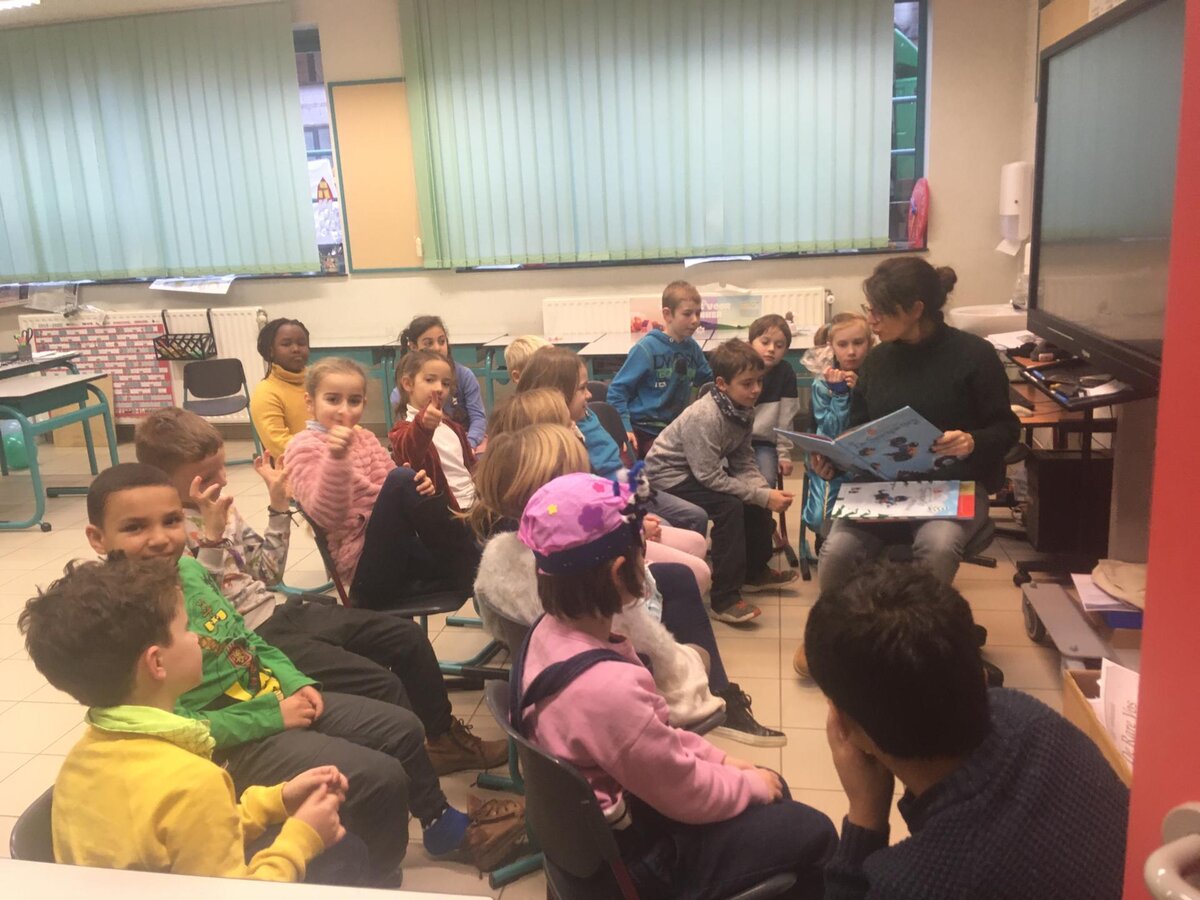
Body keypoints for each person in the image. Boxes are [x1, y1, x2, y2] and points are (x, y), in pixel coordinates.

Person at [81, 463, 524, 881]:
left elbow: (244, 639)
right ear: (97, 538)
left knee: (403, 727)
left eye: (171, 521)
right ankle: (377, 874)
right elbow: (175, 727)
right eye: (135, 528)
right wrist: (274, 716)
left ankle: (437, 824)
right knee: (380, 775)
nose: (160, 539)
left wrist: (296, 682)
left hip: (271, 695)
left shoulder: (190, 571)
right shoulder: (114, 622)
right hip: (229, 743)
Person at [512, 472, 836, 898]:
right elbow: (685, 794)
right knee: (815, 830)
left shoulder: (544, 633)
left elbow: (658, 740)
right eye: (641, 552)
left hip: (595, 834)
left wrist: (723, 760)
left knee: (768, 787)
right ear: (620, 572)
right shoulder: (607, 688)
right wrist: (748, 784)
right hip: (637, 863)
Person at [134, 407, 505, 776]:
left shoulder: (219, 509)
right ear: (162, 478)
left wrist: (278, 508)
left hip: (280, 612)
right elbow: (202, 608)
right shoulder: (162, 535)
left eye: (221, 466)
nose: (223, 478)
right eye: (208, 473)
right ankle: (406, 773)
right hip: (250, 637)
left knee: (407, 639)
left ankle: (444, 741)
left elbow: (267, 572)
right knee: (382, 683)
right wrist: (213, 540)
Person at [20, 557, 365, 885]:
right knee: (347, 853)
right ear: (157, 663)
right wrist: (301, 838)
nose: (198, 637)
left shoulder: (77, 762)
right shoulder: (194, 782)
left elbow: (186, 834)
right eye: (186, 629)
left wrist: (275, 801)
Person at [805, 563, 1129, 900]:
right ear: (981, 676)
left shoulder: (912, 883)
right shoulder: (1032, 716)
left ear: (844, 726)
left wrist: (865, 815)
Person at [469, 424, 783, 746]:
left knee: (676, 578)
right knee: (695, 645)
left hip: (544, 671)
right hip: (606, 688)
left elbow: (499, 622)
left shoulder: (498, 554)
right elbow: (646, 648)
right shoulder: (584, 584)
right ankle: (720, 696)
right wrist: (691, 673)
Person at [285, 357, 480, 609]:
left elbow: (392, 486)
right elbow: (327, 517)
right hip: (365, 570)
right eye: (332, 400)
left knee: (411, 480)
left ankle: (479, 566)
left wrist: (419, 485)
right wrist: (337, 458)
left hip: (399, 548)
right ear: (310, 402)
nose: (344, 410)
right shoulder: (303, 447)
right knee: (401, 480)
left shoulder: (365, 438)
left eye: (354, 401)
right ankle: (476, 570)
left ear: (364, 403)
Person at [646, 340, 798, 625]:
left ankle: (754, 572)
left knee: (756, 494)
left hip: (698, 470)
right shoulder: (705, 416)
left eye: (759, 381)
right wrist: (761, 496)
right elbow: (708, 477)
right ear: (722, 384)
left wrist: (763, 491)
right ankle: (724, 599)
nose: (756, 390)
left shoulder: (743, 408)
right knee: (730, 507)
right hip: (669, 476)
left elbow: (743, 459)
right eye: (747, 383)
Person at [518, 344, 711, 543]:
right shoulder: (559, 438)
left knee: (696, 516)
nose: (589, 394)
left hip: (627, 486)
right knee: (667, 528)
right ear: (558, 393)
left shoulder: (586, 414)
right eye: (582, 388)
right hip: (608, 500)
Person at [608, 280, 714, 458]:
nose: (695, 320)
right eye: (687, 314)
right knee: (638, 468)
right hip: (642, 428)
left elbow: (708, 382)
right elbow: (617, 391)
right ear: (667, 314)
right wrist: (625, 427)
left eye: (698, 313)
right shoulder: (646, 348)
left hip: (673, 430)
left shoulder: (692, 349)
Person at [800, 312, 874, 537]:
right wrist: (840, 395)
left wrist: (861, 391)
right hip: (831, 460)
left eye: (858, 343)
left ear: (870, 343)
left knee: (858, 516)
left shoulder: (876, 377)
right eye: (843, 344)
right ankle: (825, 542)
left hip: (869, 458)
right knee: (820, 519)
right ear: (831, 347)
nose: (851, 351)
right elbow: (830, 430)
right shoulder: (822, 383)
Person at [388, 349, 477, 513]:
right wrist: (423, 425)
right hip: (449, 511)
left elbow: (472, 467)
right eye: (430, 380)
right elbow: (409, 451)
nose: (439, 388)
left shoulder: (454, 428)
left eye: (446, 383)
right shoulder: (402, 430)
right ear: (408, 384)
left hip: (475, 503)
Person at [395, 315, 487, 450]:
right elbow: (407, 439)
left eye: (442, 341)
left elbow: (478, 418)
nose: (438, 348)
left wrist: (469, 445)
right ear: (414, 347)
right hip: (428, 447)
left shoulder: (465, 375)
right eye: (428, 343)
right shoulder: (400, 392)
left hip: (466, 442)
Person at [748, 313, 801, 489]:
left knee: (766, 481)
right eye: (765, 342)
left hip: (764, 443)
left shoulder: (785, 373)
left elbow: (786, 419)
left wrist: (784, 454)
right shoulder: (739, 368)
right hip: (733, 443)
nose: (771, 349)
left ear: (785, 351)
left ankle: (761, 509)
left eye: (779, 346)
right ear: (750, 343)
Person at [250, 317, 311, 461]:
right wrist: (323, 454)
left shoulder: (318, 380)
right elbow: (279, 444)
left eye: (301, 343)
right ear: (271, 351)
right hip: (296, 467)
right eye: (286, 344)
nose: (296, 349)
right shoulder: (266, 392)